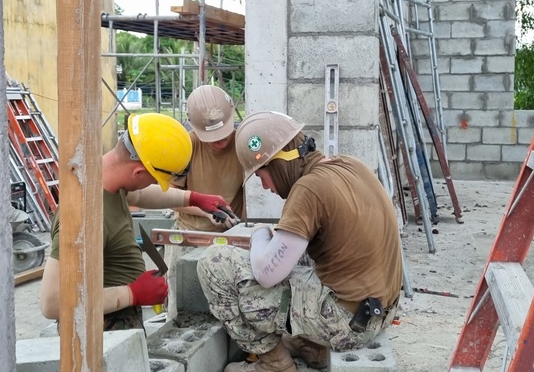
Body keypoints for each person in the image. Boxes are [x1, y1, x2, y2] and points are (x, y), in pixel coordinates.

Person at [197, 111, 403, 372]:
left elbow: (266, 274)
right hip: (375, 313)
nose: (264, 187)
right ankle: (312, 348)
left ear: (278, 162)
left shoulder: (308, 189)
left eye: (261, 175)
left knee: (215, 262)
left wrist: (260, 231)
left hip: (346, 323)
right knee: (304, 255)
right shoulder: (349, 165)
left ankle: (275, 364)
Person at [39, 112, 233, 331]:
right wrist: (131, 294)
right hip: (100, 335)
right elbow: (52, 302)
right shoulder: (85, 215)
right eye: (154, 179)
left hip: (116, 321)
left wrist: (194, 199)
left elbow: (139, 195)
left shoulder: (104, 180)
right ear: (138, 171)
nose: (155, 185)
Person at [171, 85, 246, 232]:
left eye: (223, 132)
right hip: (189, 231)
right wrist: (206, 211)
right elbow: (170, 197)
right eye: (213, 137)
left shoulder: (242, 144)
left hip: (231, 232)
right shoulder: (187, 146)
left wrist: (242, 227)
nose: (220, 140)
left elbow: (250, 194)